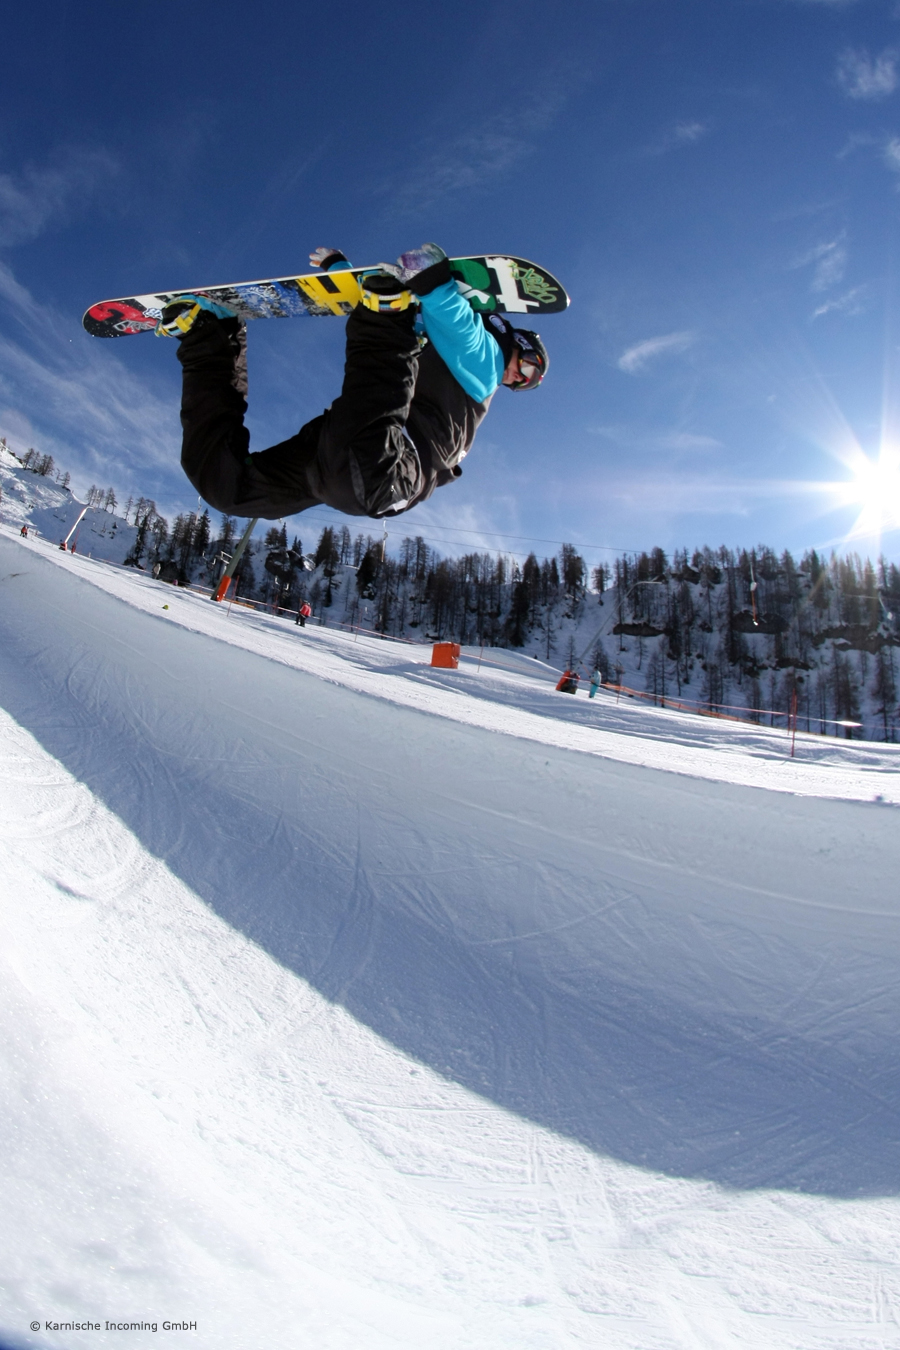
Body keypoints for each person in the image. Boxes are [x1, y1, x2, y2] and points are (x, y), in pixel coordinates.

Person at [156, 244, 548, 525]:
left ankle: (208, 337)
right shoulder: (487, 361)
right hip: (373, 459)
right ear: (514, 340)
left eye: (524, 385)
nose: (517, 380)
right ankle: (210, 334)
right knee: (233, 488)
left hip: (364, 461)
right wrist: (434, 283)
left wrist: (346, 276)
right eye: (527, 370)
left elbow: (390, 308)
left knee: (229, 489)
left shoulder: (464, 363)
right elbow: (463, 330)